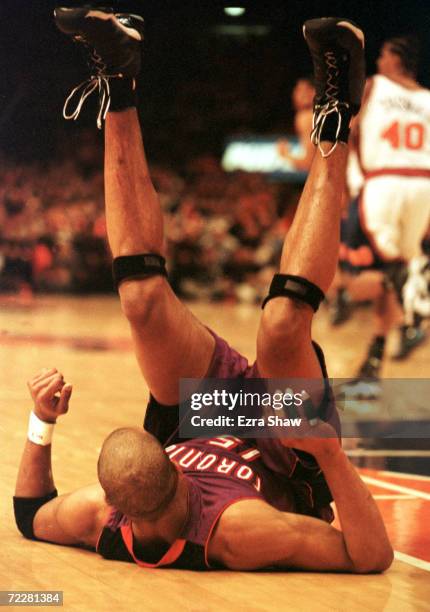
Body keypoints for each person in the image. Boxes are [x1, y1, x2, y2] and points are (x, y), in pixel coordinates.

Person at [14, 10, 393, 573]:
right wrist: (332, 458)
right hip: (283, 447)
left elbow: (31, 513)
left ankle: (118, 78)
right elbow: (371, 558)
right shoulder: (239, 533)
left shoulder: (101, 515)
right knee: (283, 321)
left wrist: (40, 423)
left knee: (141, 301)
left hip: (202, 411)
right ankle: (338, 109)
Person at [338, 36, 430, 374]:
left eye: (382, 55)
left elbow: (349, 126)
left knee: (372, 272)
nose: (378, 61)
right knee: (398, 268)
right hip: (423, 184)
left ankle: (414, 315)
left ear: (395, 57)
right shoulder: (428, 98)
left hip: (383, 183)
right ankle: (376, 358)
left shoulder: (374, 86)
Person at [277, 77, 316, 172]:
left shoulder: (306, 117)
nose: (303, 94)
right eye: (299, 90)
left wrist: (286, 154)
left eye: (307, 89)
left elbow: (308, 163)